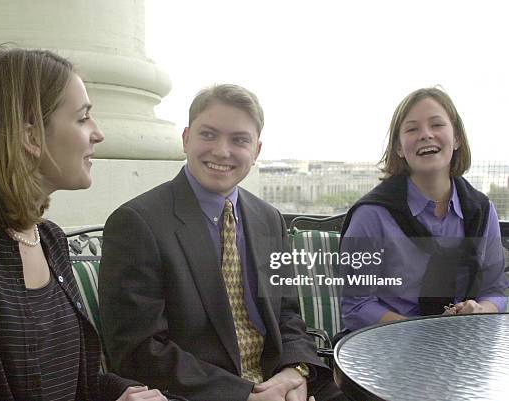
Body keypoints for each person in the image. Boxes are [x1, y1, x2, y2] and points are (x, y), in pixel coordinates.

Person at [0, 46, 168, 401]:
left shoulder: (48, 239)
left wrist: (121, 394)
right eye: (83, 118)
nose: (98, 133)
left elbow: (78, 383)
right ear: (31, 136)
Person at [100, 84, 344, 401]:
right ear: (186, 138)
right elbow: (139, 351)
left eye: (239, 140)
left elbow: (288, 315)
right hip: (200, 392)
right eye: (209, 135)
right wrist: (245, 395)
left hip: (277, 383)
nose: (222, 151)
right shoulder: (137, 223)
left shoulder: (268, 218)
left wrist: (294, 372)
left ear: (256, 151)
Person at [340, 87, 508, 332]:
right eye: (412, 129)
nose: (426, 135)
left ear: (457, 138)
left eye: (437, 125)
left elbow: (494, 291)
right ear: (399, 148)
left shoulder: (482, 211)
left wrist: (480, 310)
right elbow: (356, 306)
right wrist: (420, 332)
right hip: (386, 344)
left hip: (460, 343)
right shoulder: (371, 216)